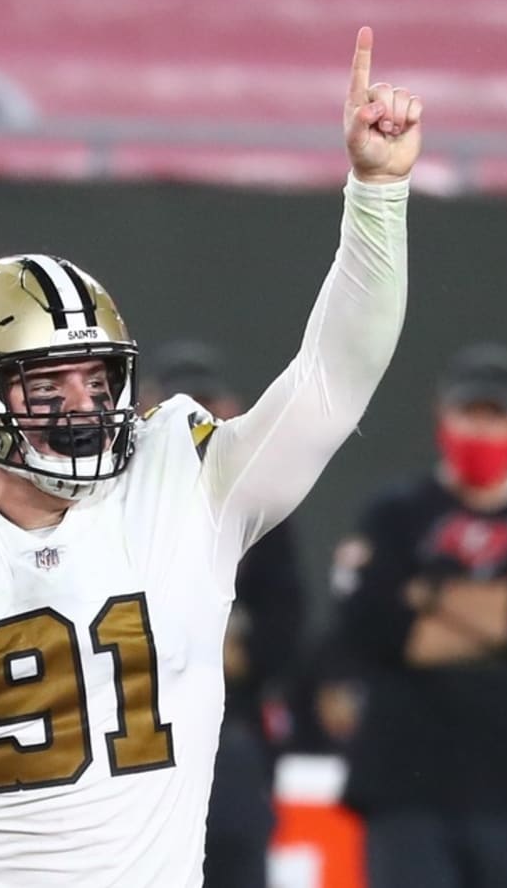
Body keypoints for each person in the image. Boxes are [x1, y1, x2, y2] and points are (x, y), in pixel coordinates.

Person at [0, 25, 420, 887]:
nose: (84, 405)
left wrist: (378, 193)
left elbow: (333, 380)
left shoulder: (185, 490)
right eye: (50, 384)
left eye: (97, 379)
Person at [328, 342, 507, 888]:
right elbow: (373, 627)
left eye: (496, 417)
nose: (480, 430)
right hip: (407, 791)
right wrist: (506, 602)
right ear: (441, 415)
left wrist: (427, 597)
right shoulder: (394, 511)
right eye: (470, 413)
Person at [143, 339, 306, 888]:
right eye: (179, 404)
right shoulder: (123, 504)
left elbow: (283, 629)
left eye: (206, 402)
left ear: (232, 408)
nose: (196, 417)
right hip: (139, 741)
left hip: (228, 733)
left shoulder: (260, 506)